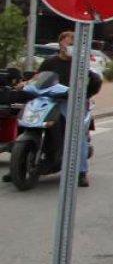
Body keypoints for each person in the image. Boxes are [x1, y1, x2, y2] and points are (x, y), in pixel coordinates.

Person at [4, 30, 102, 186]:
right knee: (25, 122)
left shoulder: (81, 64)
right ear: (61, 43)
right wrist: (25, 83)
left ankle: (81, 172)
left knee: (77, 133)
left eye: (74, 44)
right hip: (48, 98)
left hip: (71, 102)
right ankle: (16, 166)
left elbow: (94, 81)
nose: (71, 46)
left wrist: (85, 92)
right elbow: (38, 77)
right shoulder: (50, 61)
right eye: (69, 43)